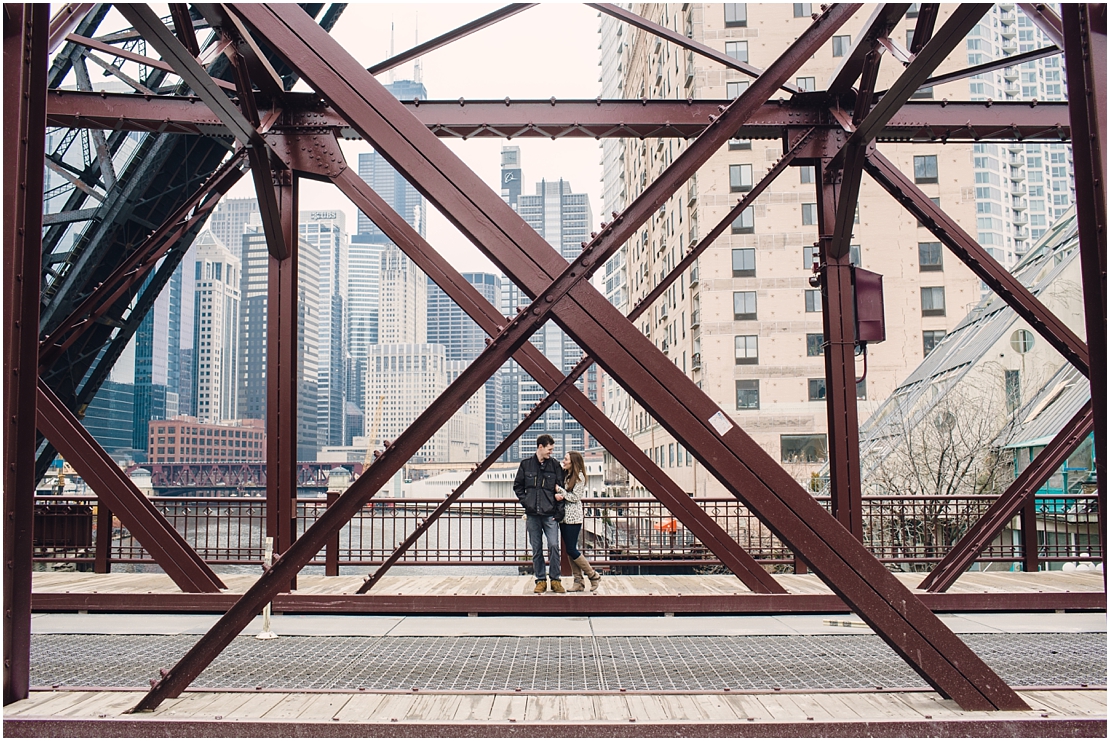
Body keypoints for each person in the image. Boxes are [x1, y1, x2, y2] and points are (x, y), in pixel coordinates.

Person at [513, 434, 565, 594]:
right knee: (536, 548)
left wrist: (559, 512)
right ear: (540, 447)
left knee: (554, 546)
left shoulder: (555, 465)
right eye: (549, 449)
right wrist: (526, 502)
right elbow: (518, 486)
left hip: (550, 514)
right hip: (533, 514)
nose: (551, 452)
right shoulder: (525, 464)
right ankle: (540, 580)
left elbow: (561, 489)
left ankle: (555, 580)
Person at [557, 451, 601, 592]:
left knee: (571, 549)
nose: (563, 461)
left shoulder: (579, 477)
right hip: (565, 517)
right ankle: (579, 582)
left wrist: (559, 491)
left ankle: (592, 575)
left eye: (566, 459)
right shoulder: (566, 474)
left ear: (573, 462)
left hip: (573, 518)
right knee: (570, 550)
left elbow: (575, 497)